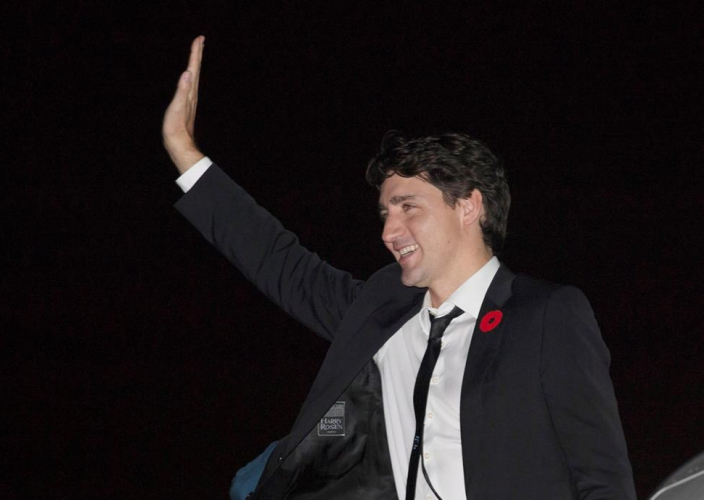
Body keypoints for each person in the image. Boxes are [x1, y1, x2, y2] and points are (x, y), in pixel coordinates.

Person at [164, 36, 637, 500]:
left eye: (408, 207)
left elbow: (601, 476)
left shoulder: (546, 315)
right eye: (386, 213)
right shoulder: (382, 310)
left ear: (468, 207)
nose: (390, 231)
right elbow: (280, 263)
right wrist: (185, 152)